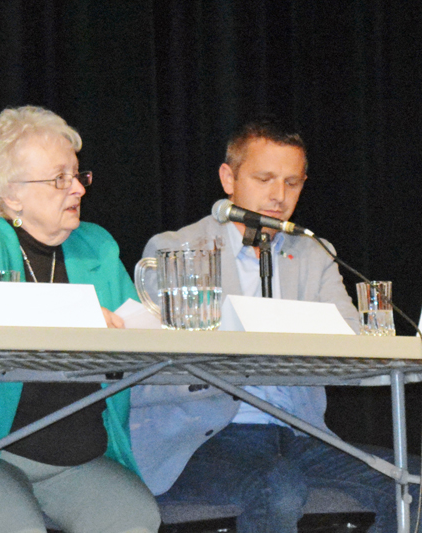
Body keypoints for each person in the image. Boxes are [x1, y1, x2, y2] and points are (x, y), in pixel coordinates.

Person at [131, 118, 419, 533]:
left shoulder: (313, 253)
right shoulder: (176, 249)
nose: (278, 196)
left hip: (300, 432)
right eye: (264, 179)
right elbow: (161, 364)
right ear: (228, 178)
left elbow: (353, 343)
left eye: (292, 182)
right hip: (211, 433)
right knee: (279, 490)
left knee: (411, 482)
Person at [0, 106, 161, 533]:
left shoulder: (97, 246)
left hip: (79, 457)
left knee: (134, 516)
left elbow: (137, 325)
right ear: (12, 195)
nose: (77, 189)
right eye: (60, 179)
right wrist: (83, 318)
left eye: (77, 175)